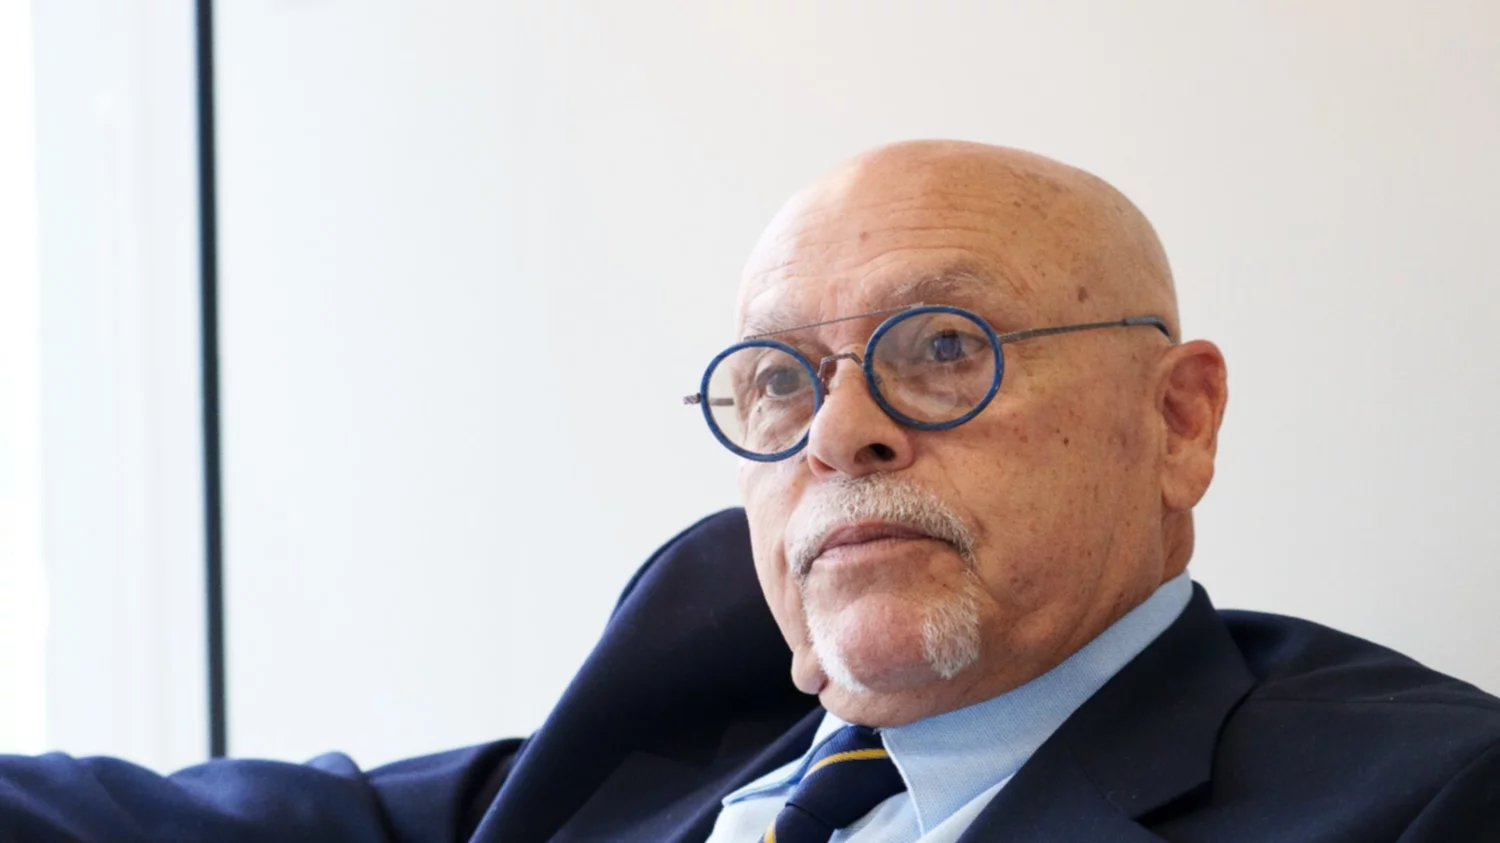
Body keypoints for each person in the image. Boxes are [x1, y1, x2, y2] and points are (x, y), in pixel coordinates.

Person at [2, 141, 1497, 842]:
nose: (840, 434)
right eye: (780, 378)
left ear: (1178, 422)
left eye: (943, 349)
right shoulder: (687, 709)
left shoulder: (1418, 801)